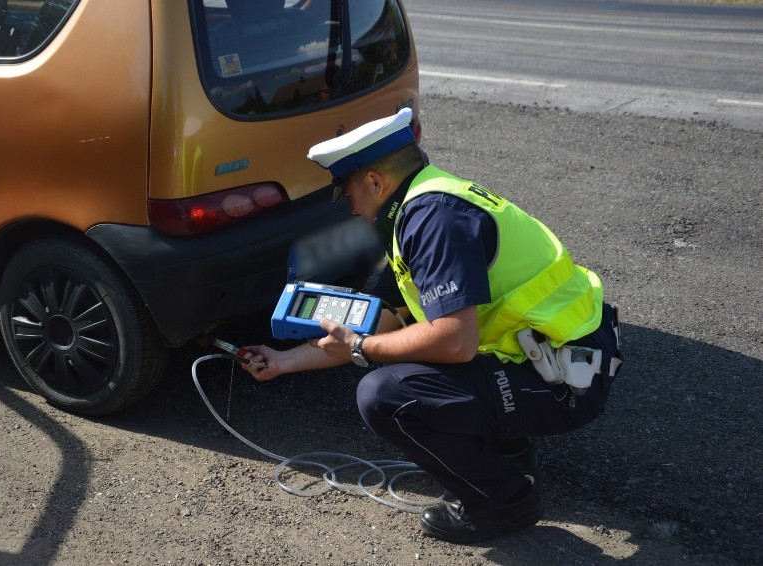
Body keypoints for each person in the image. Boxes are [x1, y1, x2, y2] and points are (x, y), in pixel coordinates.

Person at [240, 107, 622, 544]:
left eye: (347, 195)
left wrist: (363, 350)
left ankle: (502, 502)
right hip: (550, 358)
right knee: (409, 354)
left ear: (376, 182)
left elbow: (454, 343)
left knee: (386, 394)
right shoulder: (420, 206)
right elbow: (380, 321)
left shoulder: (433, 221)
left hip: (569, 380)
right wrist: (285, 360)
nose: (350, 210)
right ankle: (509, 454)